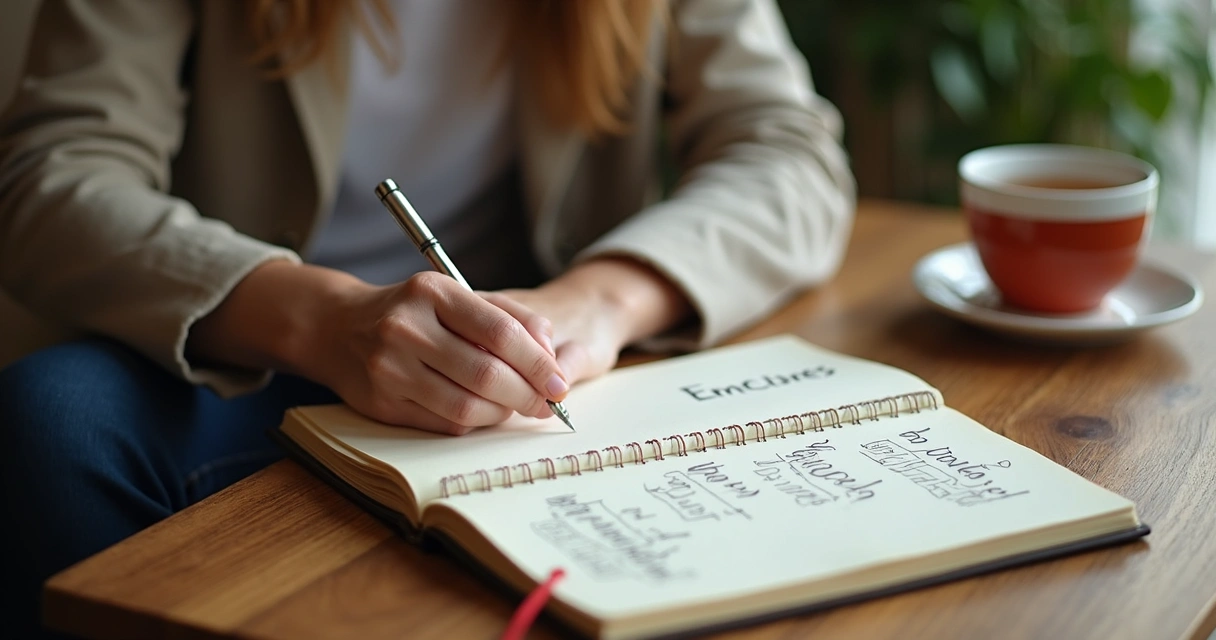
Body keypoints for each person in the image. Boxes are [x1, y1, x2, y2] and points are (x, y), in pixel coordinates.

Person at [0, 0, 854, 635]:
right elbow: (52, 177)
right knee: (52, 421)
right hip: (258, 349)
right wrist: (321, 321)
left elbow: (789, 150)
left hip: (537, 374)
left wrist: (597, 302)